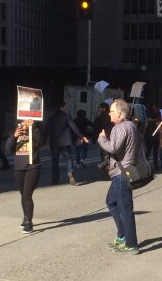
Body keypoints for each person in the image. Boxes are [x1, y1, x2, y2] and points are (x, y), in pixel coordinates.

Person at [98, 99, 142, 255]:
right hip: (124, 171)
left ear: (119, 112)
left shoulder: (120, 127)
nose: (109, 113)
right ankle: (123, 235)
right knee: (111, 201)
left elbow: (113, 148)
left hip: (121, 173)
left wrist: (102, 138)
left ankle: (131, 244)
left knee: (125, 209)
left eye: (111, 110)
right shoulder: (131, 126)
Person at [6, 119, 43, 233]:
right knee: (22, 194)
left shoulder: (36, 131)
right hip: (18, 167)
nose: (25, 124)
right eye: (23, 122)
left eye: (27, 122)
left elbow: (41, 142)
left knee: (27, 195)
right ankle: (26, 217)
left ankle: (29, 222)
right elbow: (8, 148)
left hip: (32, 167)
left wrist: (34, 128)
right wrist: (14, 135)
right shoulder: (17, 133)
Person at [45, 102, 88, 185]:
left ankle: (54, 180)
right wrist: (81, 136)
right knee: (68, 158)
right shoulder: (67, 116)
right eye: (65, 107)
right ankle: (70, 172)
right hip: (65, 142)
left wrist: (44, 139)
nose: (66, 108)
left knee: (55, 161)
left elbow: (46, 129)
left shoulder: (51, 117)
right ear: (62, 107)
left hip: (54, 142)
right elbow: (74, 127)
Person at [92, 103, 114, 172]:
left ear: (104, 108)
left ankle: (107, 167)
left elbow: (95, 128)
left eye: (100, 108)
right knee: (111, 152)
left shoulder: (100, 117)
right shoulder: (111, 116)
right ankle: (110, 166)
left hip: (103, 137)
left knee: (104, 153)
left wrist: (94, 139)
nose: (99, 109)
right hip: (112, 136)